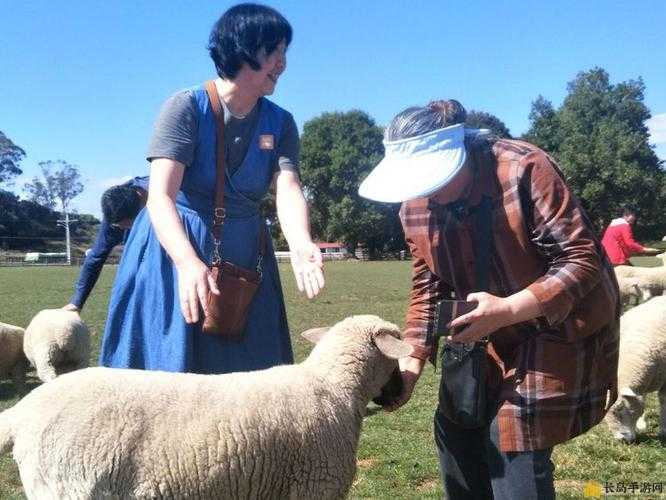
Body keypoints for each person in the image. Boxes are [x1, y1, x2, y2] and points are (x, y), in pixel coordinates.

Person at [359, 100, 620, 500]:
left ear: (461, 154)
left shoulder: (523, 168)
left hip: (558, 323)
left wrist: (509, 309)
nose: (426, 195)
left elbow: (580, 257)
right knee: (454, 431)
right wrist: (410, 364)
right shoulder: (414, 206)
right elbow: (428, 289)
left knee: (513, 435)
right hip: (485, 330)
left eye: (433, 180)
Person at [99, 3, 324, 374]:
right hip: (175, 248)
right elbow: (160, 197)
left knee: (249, 372)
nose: (283, 63)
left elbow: (288, 186)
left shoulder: (280, 122)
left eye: (286, 52)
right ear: (242, 48)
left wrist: (300, 242)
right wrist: (187, 262)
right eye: (274, 51)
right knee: (167, 371)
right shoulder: (185, 107)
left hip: (245, 252)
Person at [62, 177, 149, 312]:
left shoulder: (171, 189)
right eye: (120, 227)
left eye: (127, 225)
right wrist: (76, 302)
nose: (124, 230)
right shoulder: (116, 210)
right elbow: (96, 257)